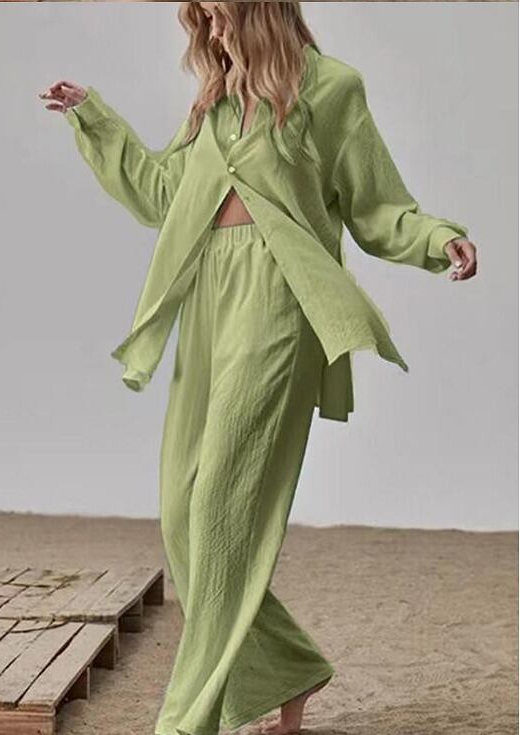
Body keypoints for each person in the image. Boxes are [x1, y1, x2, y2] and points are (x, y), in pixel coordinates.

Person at [39, 3, 478, 734]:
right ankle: (289, 667)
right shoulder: (214, 101)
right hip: (207, 294)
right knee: (183, 515)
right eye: (203, 20)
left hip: (280, 298)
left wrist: (437, 239)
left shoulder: (333, 89)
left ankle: (188, 720)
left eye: (219, 16)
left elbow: (375, 205)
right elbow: (163, 195)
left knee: (221, 508)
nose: (211, 33)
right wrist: (95, 118)